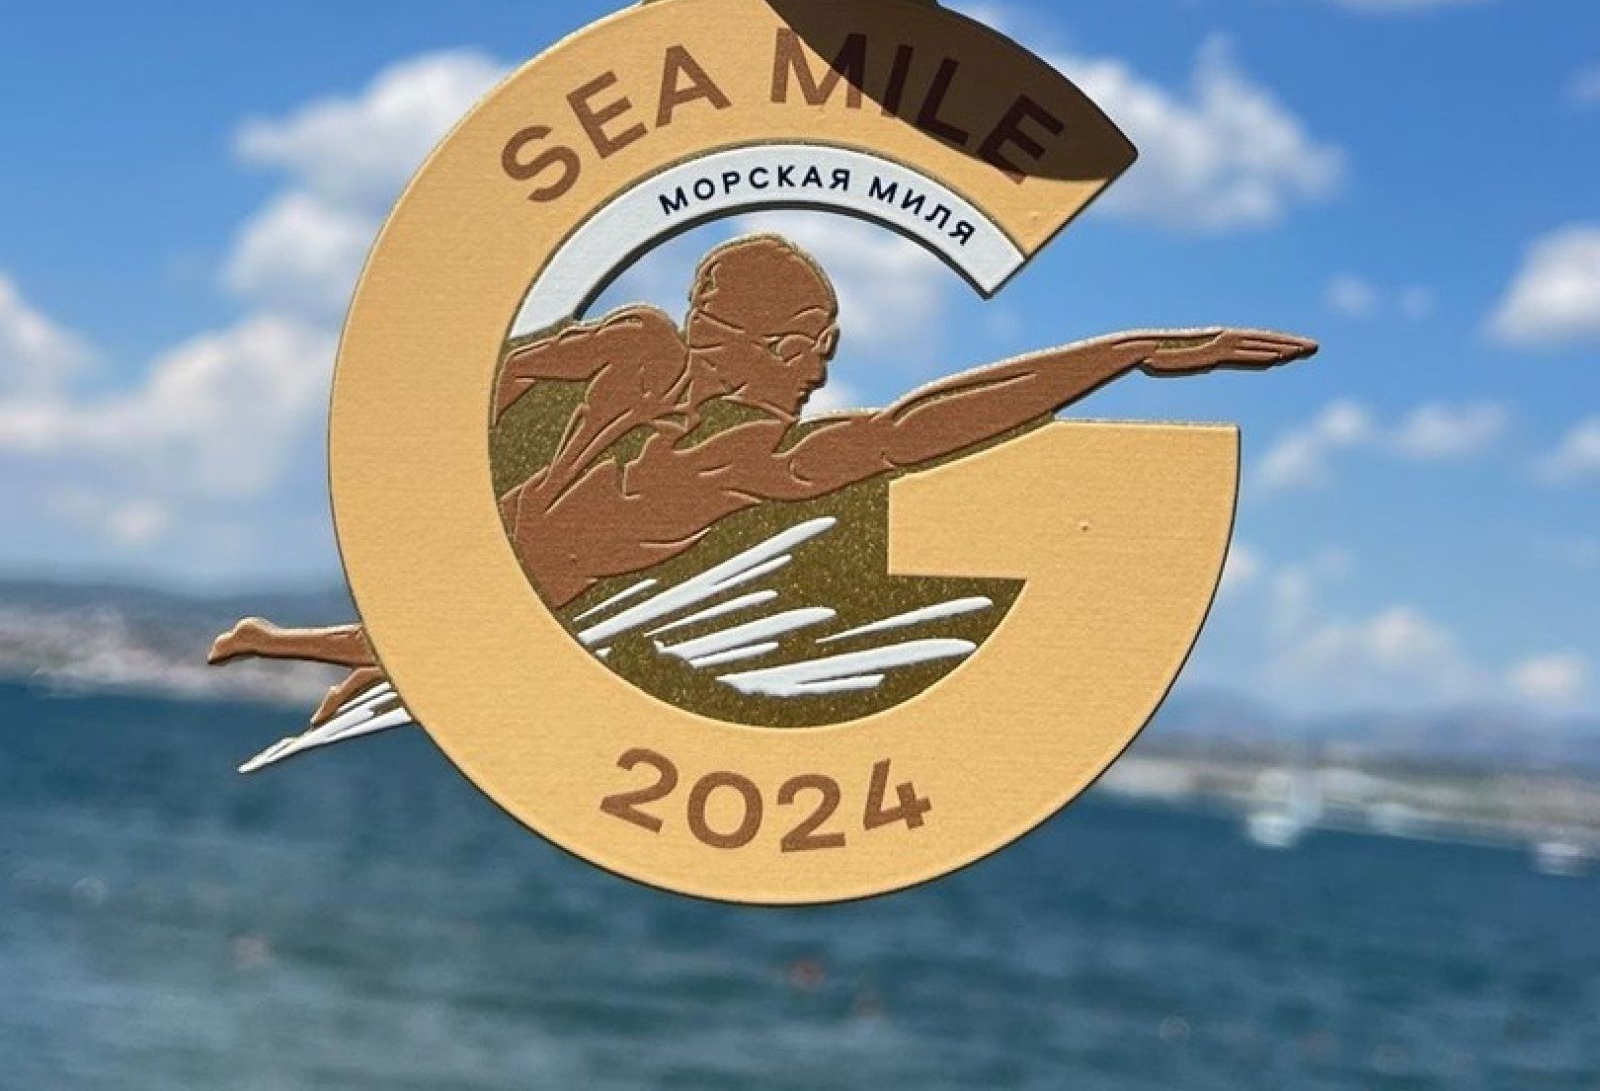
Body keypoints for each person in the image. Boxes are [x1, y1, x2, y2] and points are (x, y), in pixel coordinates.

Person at [210, 234, 1314, 722]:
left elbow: (919, 428)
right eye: (800, 348)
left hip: (505, 584)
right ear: (730, 338)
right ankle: (291, 646)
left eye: (825, 348)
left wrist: (1119, 355)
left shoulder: (720, 432)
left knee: (395, 648)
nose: (818, 371)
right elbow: (483, 373)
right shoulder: (689, 405)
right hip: (489, 571)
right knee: (402, 649)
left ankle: (285, 644)